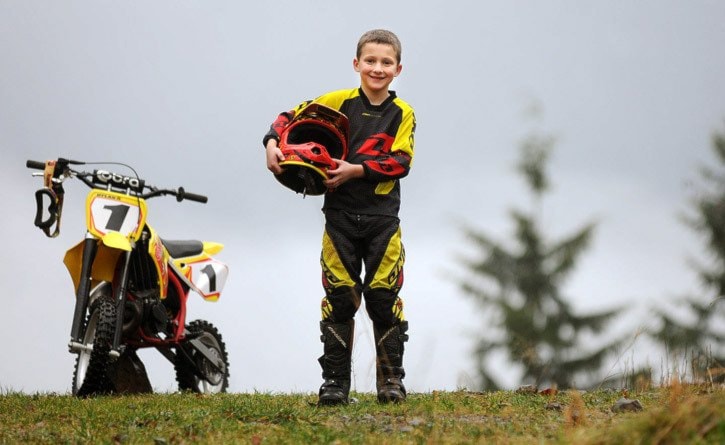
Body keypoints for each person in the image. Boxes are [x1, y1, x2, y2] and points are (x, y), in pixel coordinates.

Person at [262, 29, 416, 405]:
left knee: (383, 298)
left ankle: (390, 383)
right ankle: (334, 385)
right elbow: (286, 117)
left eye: (385, 62)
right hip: (339, 219)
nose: (377, 69)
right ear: (356, 64)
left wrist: (355, 171)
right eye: (370, 61)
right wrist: (270, 144)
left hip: (383, 220)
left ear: (398, 68)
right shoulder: (336, 102)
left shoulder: (403, 113)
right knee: (339, 300)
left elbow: (401, 161)